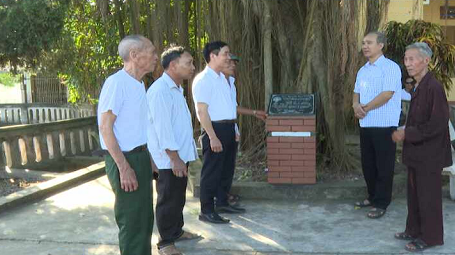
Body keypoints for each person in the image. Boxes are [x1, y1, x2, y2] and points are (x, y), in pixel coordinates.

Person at [97, 34, 158, 255]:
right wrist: (124, 167)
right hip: (124, 159)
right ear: (134, 55)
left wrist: (149, 159)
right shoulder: (116, 83)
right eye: (151, 51)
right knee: (132, 221)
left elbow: (138, 128)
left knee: (144, 218)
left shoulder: (139, 84)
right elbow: (106, 128)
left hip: (139, 158)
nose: (155, 56)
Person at [392, 42, 452, 252]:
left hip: (430, 155)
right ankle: (413, 230)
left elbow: (437, 123)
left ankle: (431, 237)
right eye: (406, 59)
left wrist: (407, 133)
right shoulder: (418, 85)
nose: (407, 63)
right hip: (417, 153)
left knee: (428, 198)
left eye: (412, 59)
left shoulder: (433, 87)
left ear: (425, 61)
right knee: (415, 195)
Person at [146, 45, 200, 255]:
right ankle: (165, 243)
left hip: (180, 156)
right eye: (189, 63)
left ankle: (176, 231)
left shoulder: (176, 89)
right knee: (168, 198)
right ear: (173, 65)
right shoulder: (160, 91)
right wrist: (174, 158)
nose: (193, 67)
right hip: (168, 159)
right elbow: (163, 129)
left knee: (178, 196)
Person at [192, 41, 245, 224]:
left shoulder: (223, 79)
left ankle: (222, 202)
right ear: (213, 56)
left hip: (228, 128)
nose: (229, 57)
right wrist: (212, 136)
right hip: (214, 129)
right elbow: (202, 111)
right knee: (211, 172)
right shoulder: (203, 80)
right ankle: (206, 210)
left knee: (226, 170)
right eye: (225, 53)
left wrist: (234, 129)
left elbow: (229, 107)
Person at [352, 31, 402, 219]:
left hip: (384, 125)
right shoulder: (362, 69)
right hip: (365, 124)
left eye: (369, 42)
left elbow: (387, 94)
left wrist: (365, 107)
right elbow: (355, 92)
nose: (365, 46)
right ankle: (372, 197)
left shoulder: (390, 68)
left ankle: (382, 203)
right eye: (363, 42)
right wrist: (356, 105)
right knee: (368, 165)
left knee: (384, 166)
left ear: (381, 45)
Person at [221, 53, 266, 205]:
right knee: (218, 167)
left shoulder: (231, 83)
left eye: (234, 63)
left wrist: (254, 113)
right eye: (230, 63)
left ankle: (225, 195)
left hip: (230, 127)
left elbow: (233, 108)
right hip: (218, 129)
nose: (233, 66)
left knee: (229, 166)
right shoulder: (214, 83)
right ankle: (217, 199)